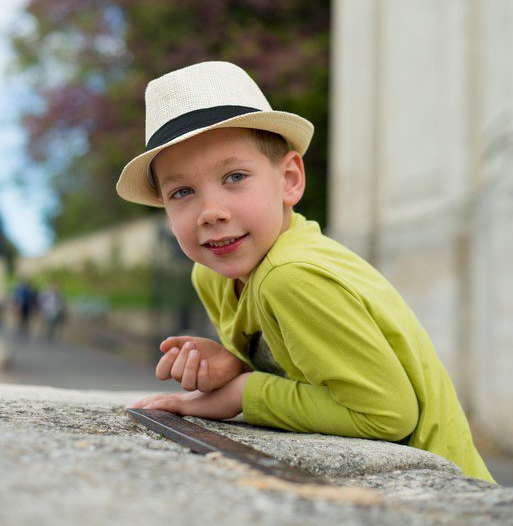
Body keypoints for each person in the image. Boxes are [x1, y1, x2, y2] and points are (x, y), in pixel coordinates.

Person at [117, 61, 494, 483]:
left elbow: (385, 414)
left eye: (235, 176)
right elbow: (306, 383)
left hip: (433, 493)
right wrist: (235, 369)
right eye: (182, 191)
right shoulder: (215, 275)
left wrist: (241, 394)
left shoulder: (292, 275)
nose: (211, 212)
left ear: (290, 180)